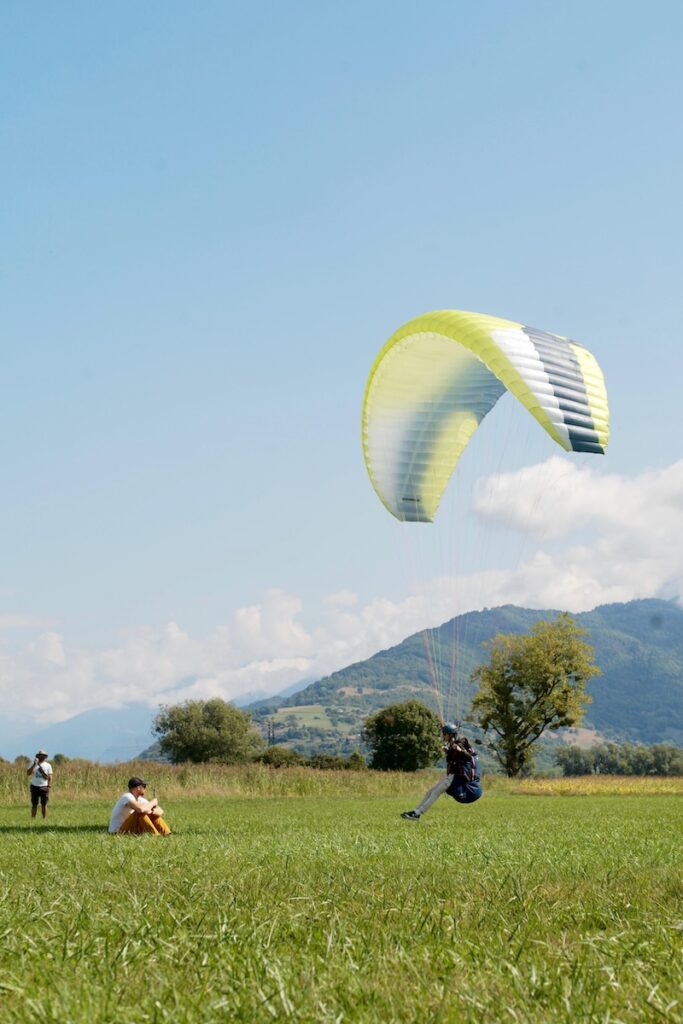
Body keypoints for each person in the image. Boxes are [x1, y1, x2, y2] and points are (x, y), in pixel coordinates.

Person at [401, 725, 483, 820]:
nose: (443, 736)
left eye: (445, 734)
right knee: (430, 792)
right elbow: (453, 759)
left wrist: (460, 750)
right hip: (452, 775)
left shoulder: (459, 744)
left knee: (435, 792)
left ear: (450, 735)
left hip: (455, 776)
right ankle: (416, 812)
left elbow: (468, 757)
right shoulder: (452, 744)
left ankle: (417, 813)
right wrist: (448, 751)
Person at [27, 750, 53, 820]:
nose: (42, 756)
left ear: (45, 757)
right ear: (37, 756)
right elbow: (28, 773)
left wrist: (49, 786)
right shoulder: (32, 763)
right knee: (34, 804)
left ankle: (44, 819)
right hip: (34, 786)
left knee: (44, 804)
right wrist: (34, 765)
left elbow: (50, 777)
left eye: (43, 755)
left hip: (44, 787)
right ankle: (33, 819)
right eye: (40, 755)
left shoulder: (48, 765)